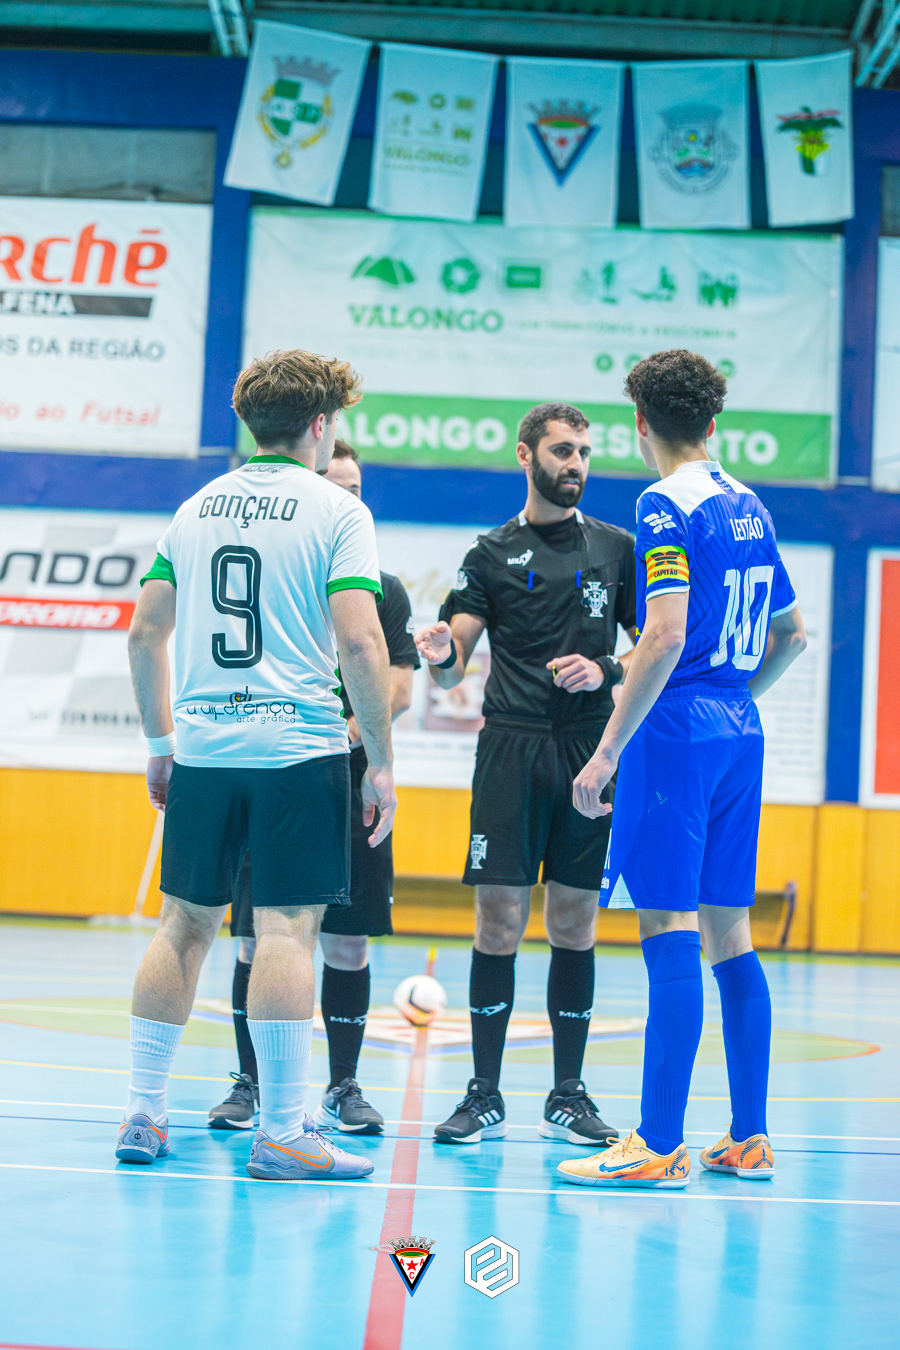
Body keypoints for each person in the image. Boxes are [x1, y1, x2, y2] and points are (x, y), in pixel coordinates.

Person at [119, 350, 397, 1182]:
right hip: (296, 750)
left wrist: (161, 745)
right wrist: (380, 760)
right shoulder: (338, 511)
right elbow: (360, 641)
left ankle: (143, 1111)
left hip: (205, 750)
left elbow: (144, 634)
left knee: (182, 926)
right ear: (319, 424)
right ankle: (281, 1133)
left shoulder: (196, 507)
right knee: (283, 931)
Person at [557, 349, 807, 1190]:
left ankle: (659, 1142)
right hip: (740, 726)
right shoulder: (749, 504)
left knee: (666, 925)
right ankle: (749, 1137)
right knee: (730, 930)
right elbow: (793, 633)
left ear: (640, 424)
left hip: (677, 730)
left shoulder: (663, 502)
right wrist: (733, 699)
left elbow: (662, 635)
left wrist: (606, 751)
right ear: (713, 422)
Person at [415, 402, 637, 1145]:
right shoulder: (489, 553)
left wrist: (606, 668)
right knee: (499, 920)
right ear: (526, 455)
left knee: (574, 920)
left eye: (584, 452)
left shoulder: (616, 548)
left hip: (588, 751)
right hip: (510, 750)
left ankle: (567, 1094)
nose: (576, 464)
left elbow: (651, 646)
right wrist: (440, 653)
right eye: (563, 450)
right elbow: (452, 667)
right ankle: (484, 1093)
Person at [208, 441, 419, 1135]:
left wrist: (348, 733)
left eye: (354, 489)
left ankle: (343, 1084)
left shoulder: (383, 589)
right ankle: (250, 1081)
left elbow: (397, 686)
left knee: (348, 944)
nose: (344, 497)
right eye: (333, 482)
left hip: (351, 780)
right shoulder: (279, 573)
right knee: (255, 939)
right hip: (276, 775)